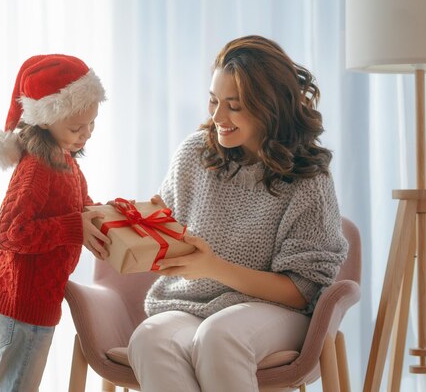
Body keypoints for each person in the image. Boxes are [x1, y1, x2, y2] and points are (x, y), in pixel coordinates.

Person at [127, 35, 348, 392]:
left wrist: (215, 267)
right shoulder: (195, 154)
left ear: (269, 107)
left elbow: (301, 290)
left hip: (277, 311)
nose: (217, 116)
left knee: (220, 337)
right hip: (189, 304)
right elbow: (167, 230)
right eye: (213, 101)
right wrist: (132, 226)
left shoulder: (308, 177)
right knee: (150, 339)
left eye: (234, 105)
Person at [0, 54, 110, 392]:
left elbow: (81, 206)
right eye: (76, 128)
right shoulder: (37, 169)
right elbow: (8, 232)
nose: (86, 135)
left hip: (40, 303)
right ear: (46, 120)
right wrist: (74, 228)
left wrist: (112, 215)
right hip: (21, 306)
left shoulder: (65, 160)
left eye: (91, 124)